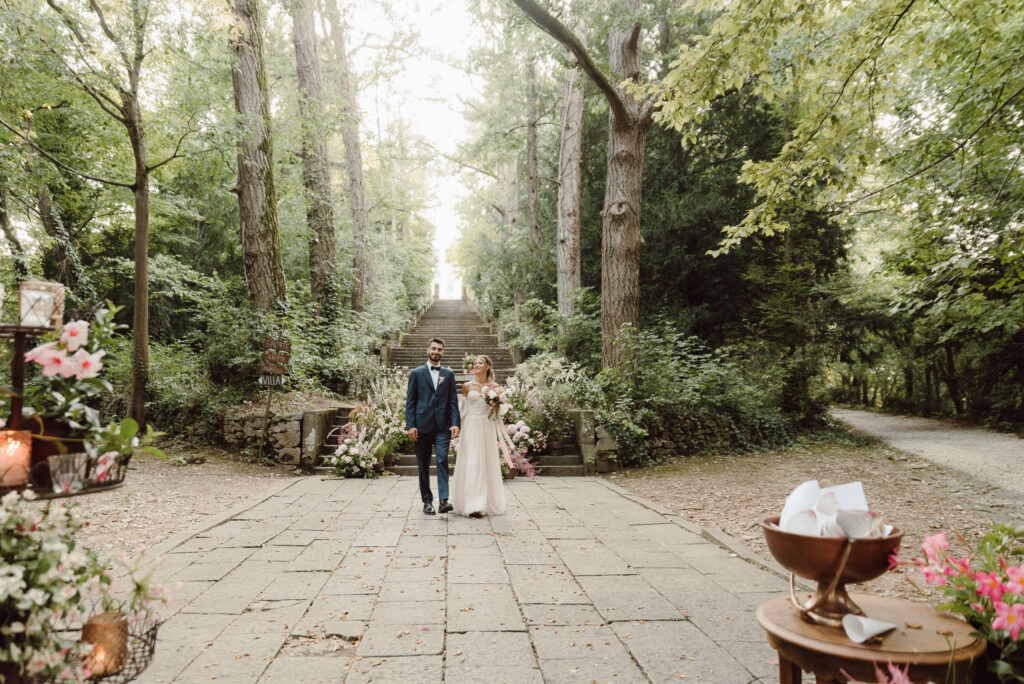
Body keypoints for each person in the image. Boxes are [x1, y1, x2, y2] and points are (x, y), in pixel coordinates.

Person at [405, 338, 460, 515]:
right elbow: (410, 402)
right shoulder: (416, 373)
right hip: (421, 426)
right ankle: (427, 501)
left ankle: (443, 501)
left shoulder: (448, 374)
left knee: (443, 459)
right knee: (423, 464)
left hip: (443, 426)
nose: (436, 352)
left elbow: (453, 401)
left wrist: (455, 423)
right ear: (428, 349)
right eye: (434, 348)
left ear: (443, 352)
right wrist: (411, 426)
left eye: (440, 349)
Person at [450, 355, 508, 517]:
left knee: (487, 460)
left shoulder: (495, 386)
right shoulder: (467, 386)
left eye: (480, 363)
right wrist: (458, 425)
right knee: (472, 460)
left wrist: (497, 407)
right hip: (471, 426)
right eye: (475, 363)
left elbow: (497, 411)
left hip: (487, 426)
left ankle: (487, 502)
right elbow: (463, 408)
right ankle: (472, 504)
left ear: (487, 366)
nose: (476, 365)